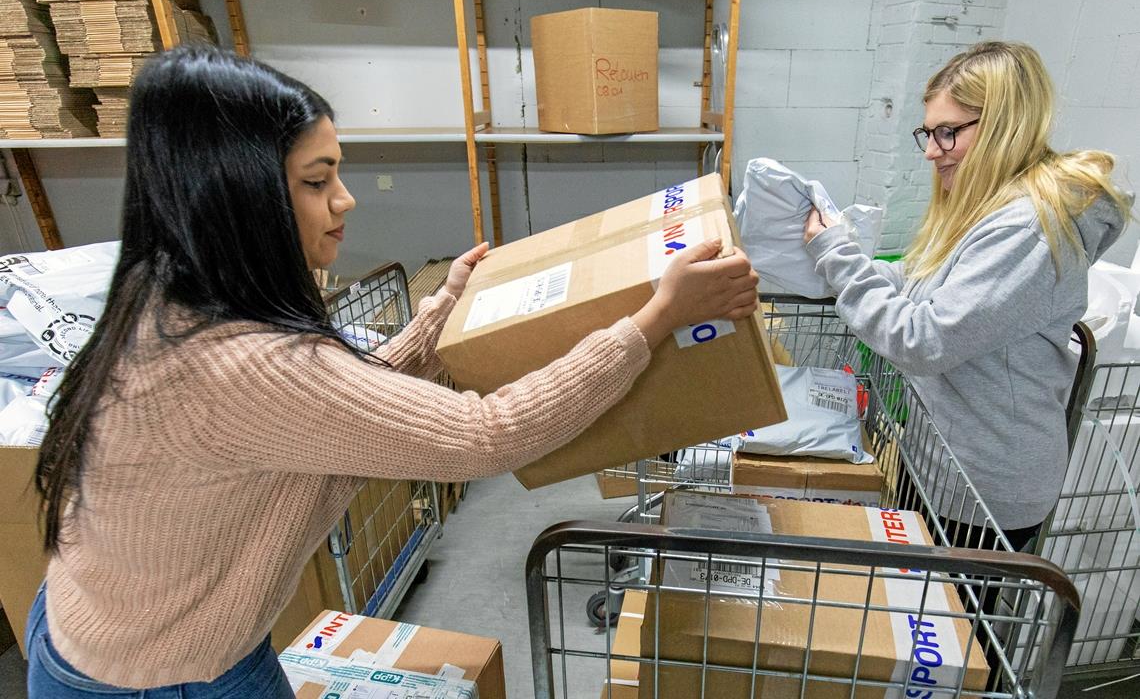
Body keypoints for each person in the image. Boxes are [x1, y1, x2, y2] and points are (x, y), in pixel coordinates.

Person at [26, 44, 760, 697]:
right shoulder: (238, 364)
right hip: (161, 676)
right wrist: (655, 319)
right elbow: (486, 435)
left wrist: (439, 314)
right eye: (317, 182)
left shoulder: (168, 296)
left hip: (101, 637)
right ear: (239, 200)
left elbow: (331, 401)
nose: (344, 201)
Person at [802, 41, 1132, 552]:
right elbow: (915, 278)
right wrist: (844, 258)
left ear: (1003, 126)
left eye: (947, 132)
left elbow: (923, 340)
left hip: (984, 493)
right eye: (928, 133)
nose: (932, 150)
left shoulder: (1029, 231)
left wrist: (837, 258)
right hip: (940, 464)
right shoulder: (984, 209)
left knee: (956, 627)